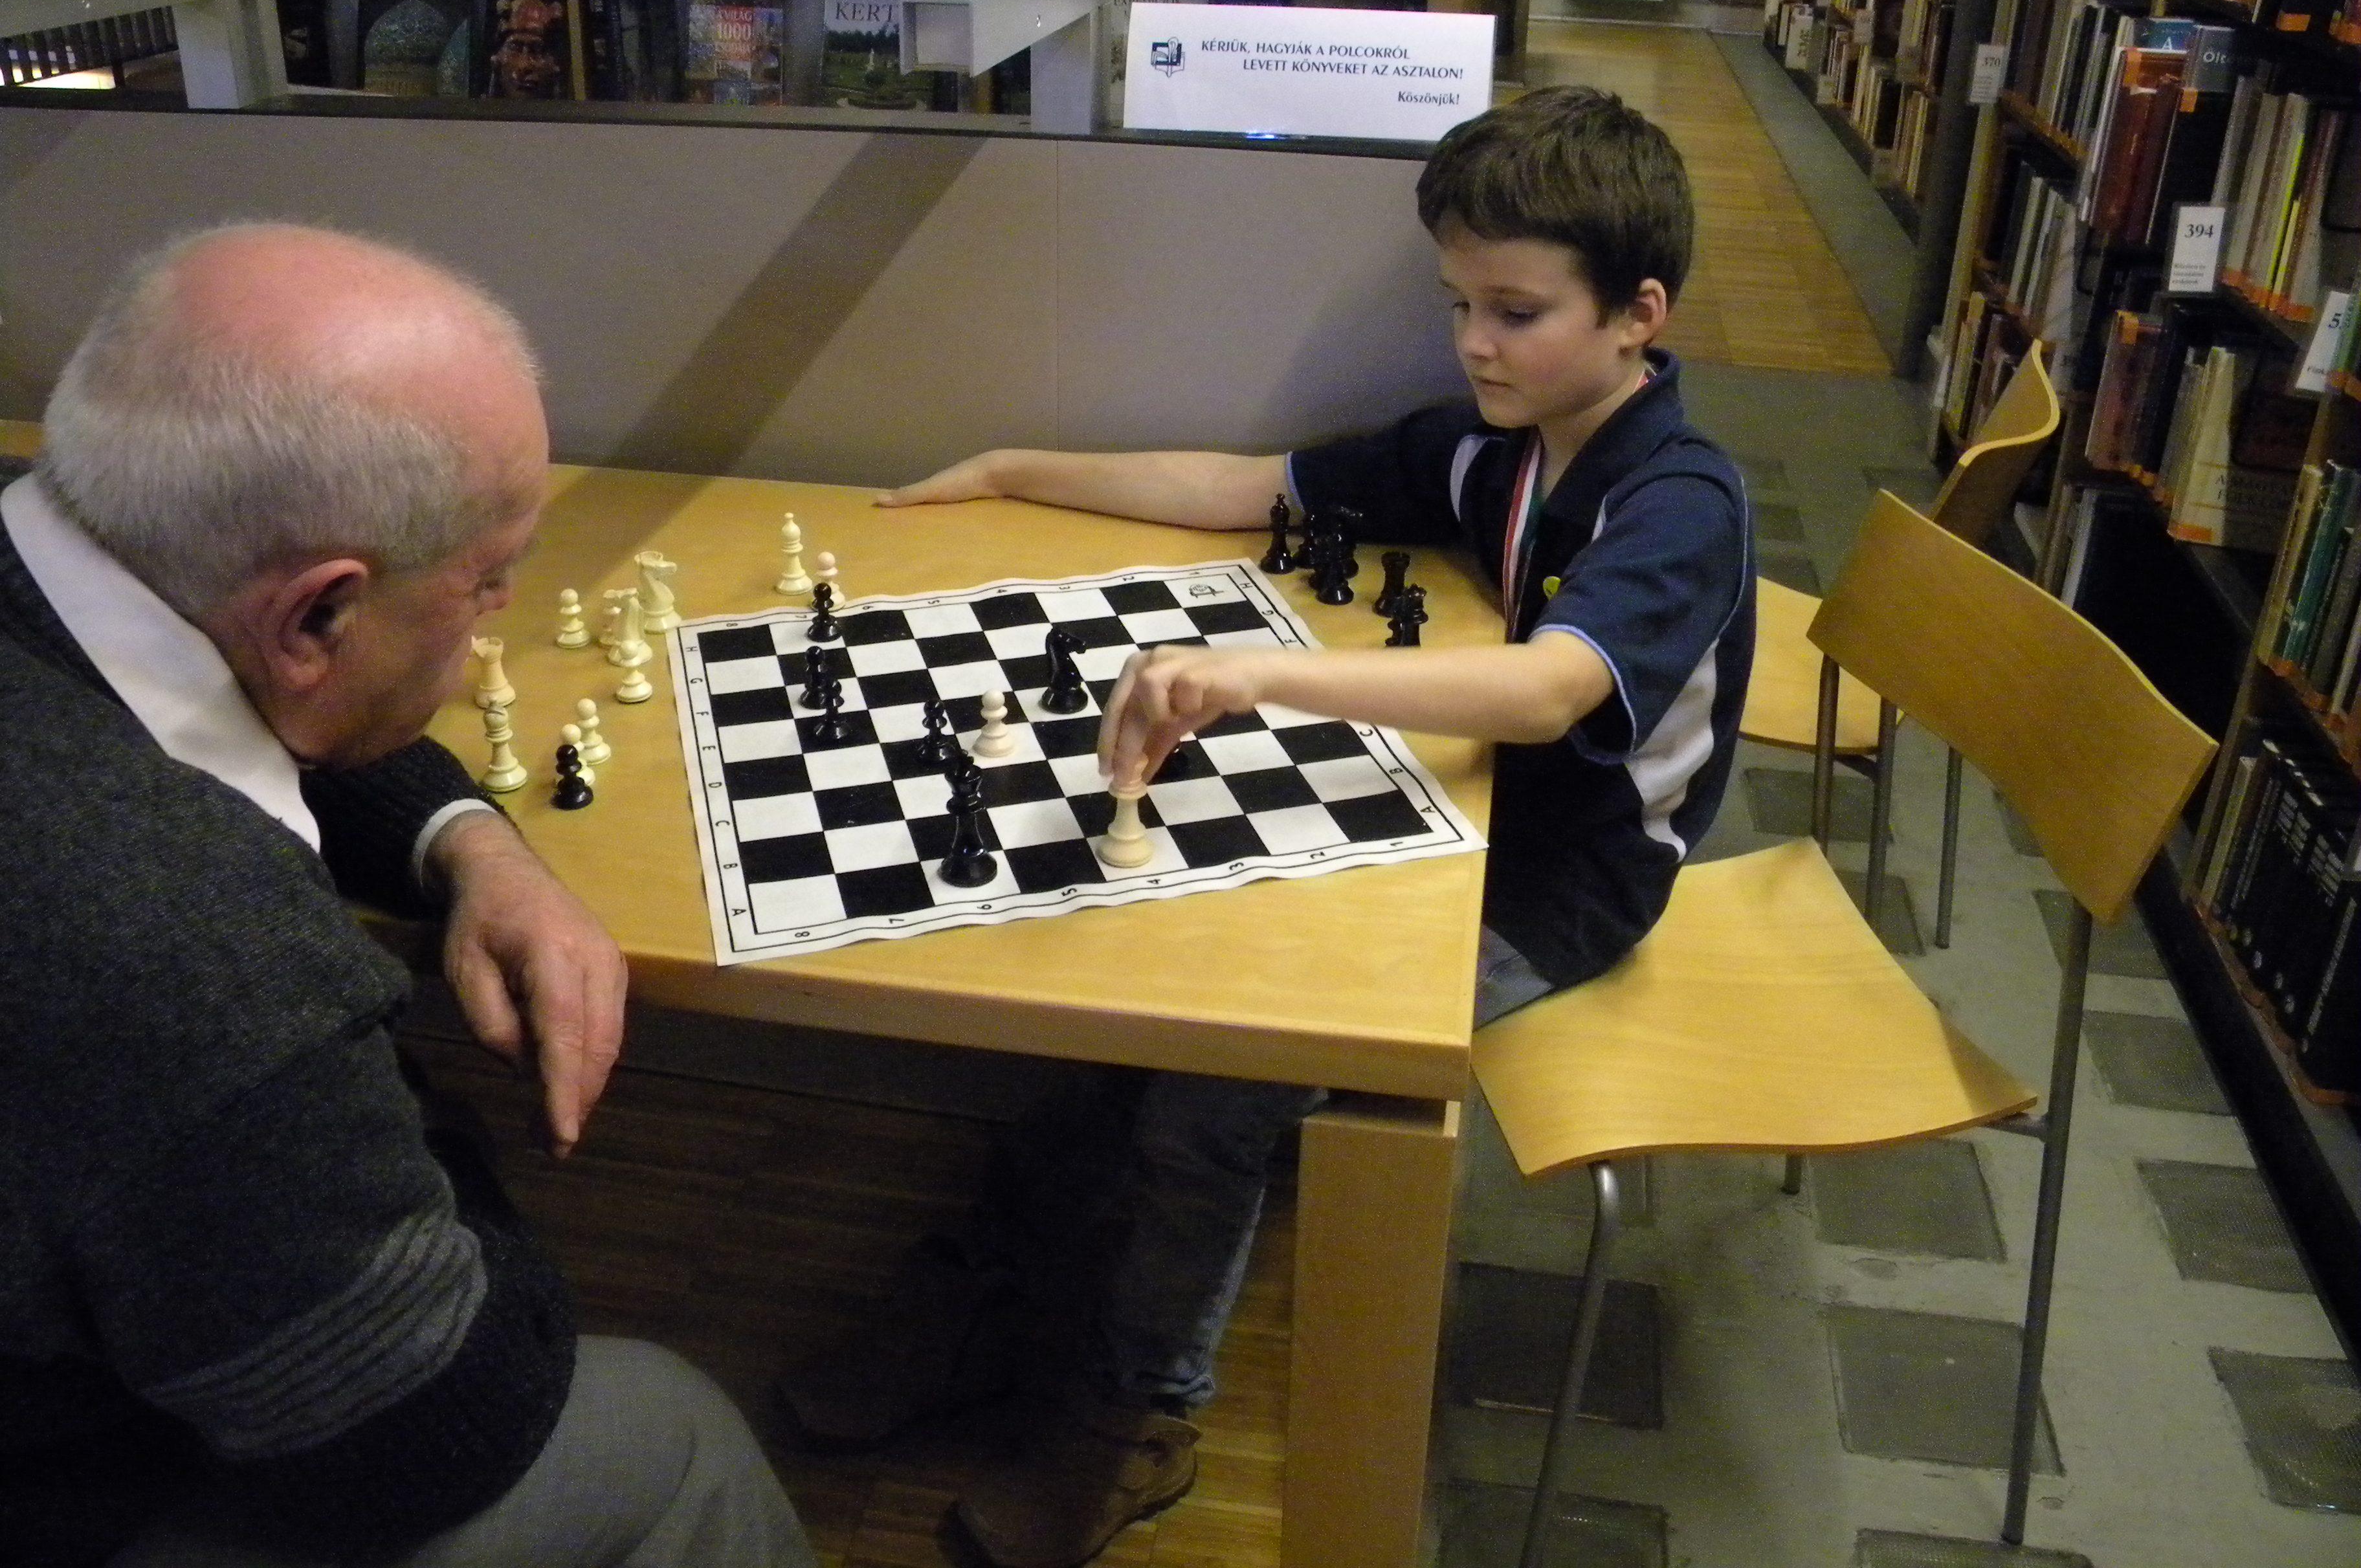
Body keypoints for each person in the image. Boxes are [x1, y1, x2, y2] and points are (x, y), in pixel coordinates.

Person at [781, 85, 1755, 1568]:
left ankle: (1137, 1416)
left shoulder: (1681, 500)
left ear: (1639, 316)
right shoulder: (1498, 447)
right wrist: (1016, 467)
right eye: (1459, 306)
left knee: (1221, 1088)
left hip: (1562, 883)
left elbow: (1553, 689)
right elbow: (1257, 488)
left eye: (1516, 311)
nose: (1475, 343)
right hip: (1448, 810)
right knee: (1134, 1003)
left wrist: (1252, 674)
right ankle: (989, 1294)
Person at [0, 223, 816, 1568]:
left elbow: (248, 701)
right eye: (487, 582)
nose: (498, 617)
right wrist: (429, 1131)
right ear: (319, 616)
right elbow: (427, 1432)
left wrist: (471, 844)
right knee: (672, 1434)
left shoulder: (81, 541)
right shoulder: (192, 956)